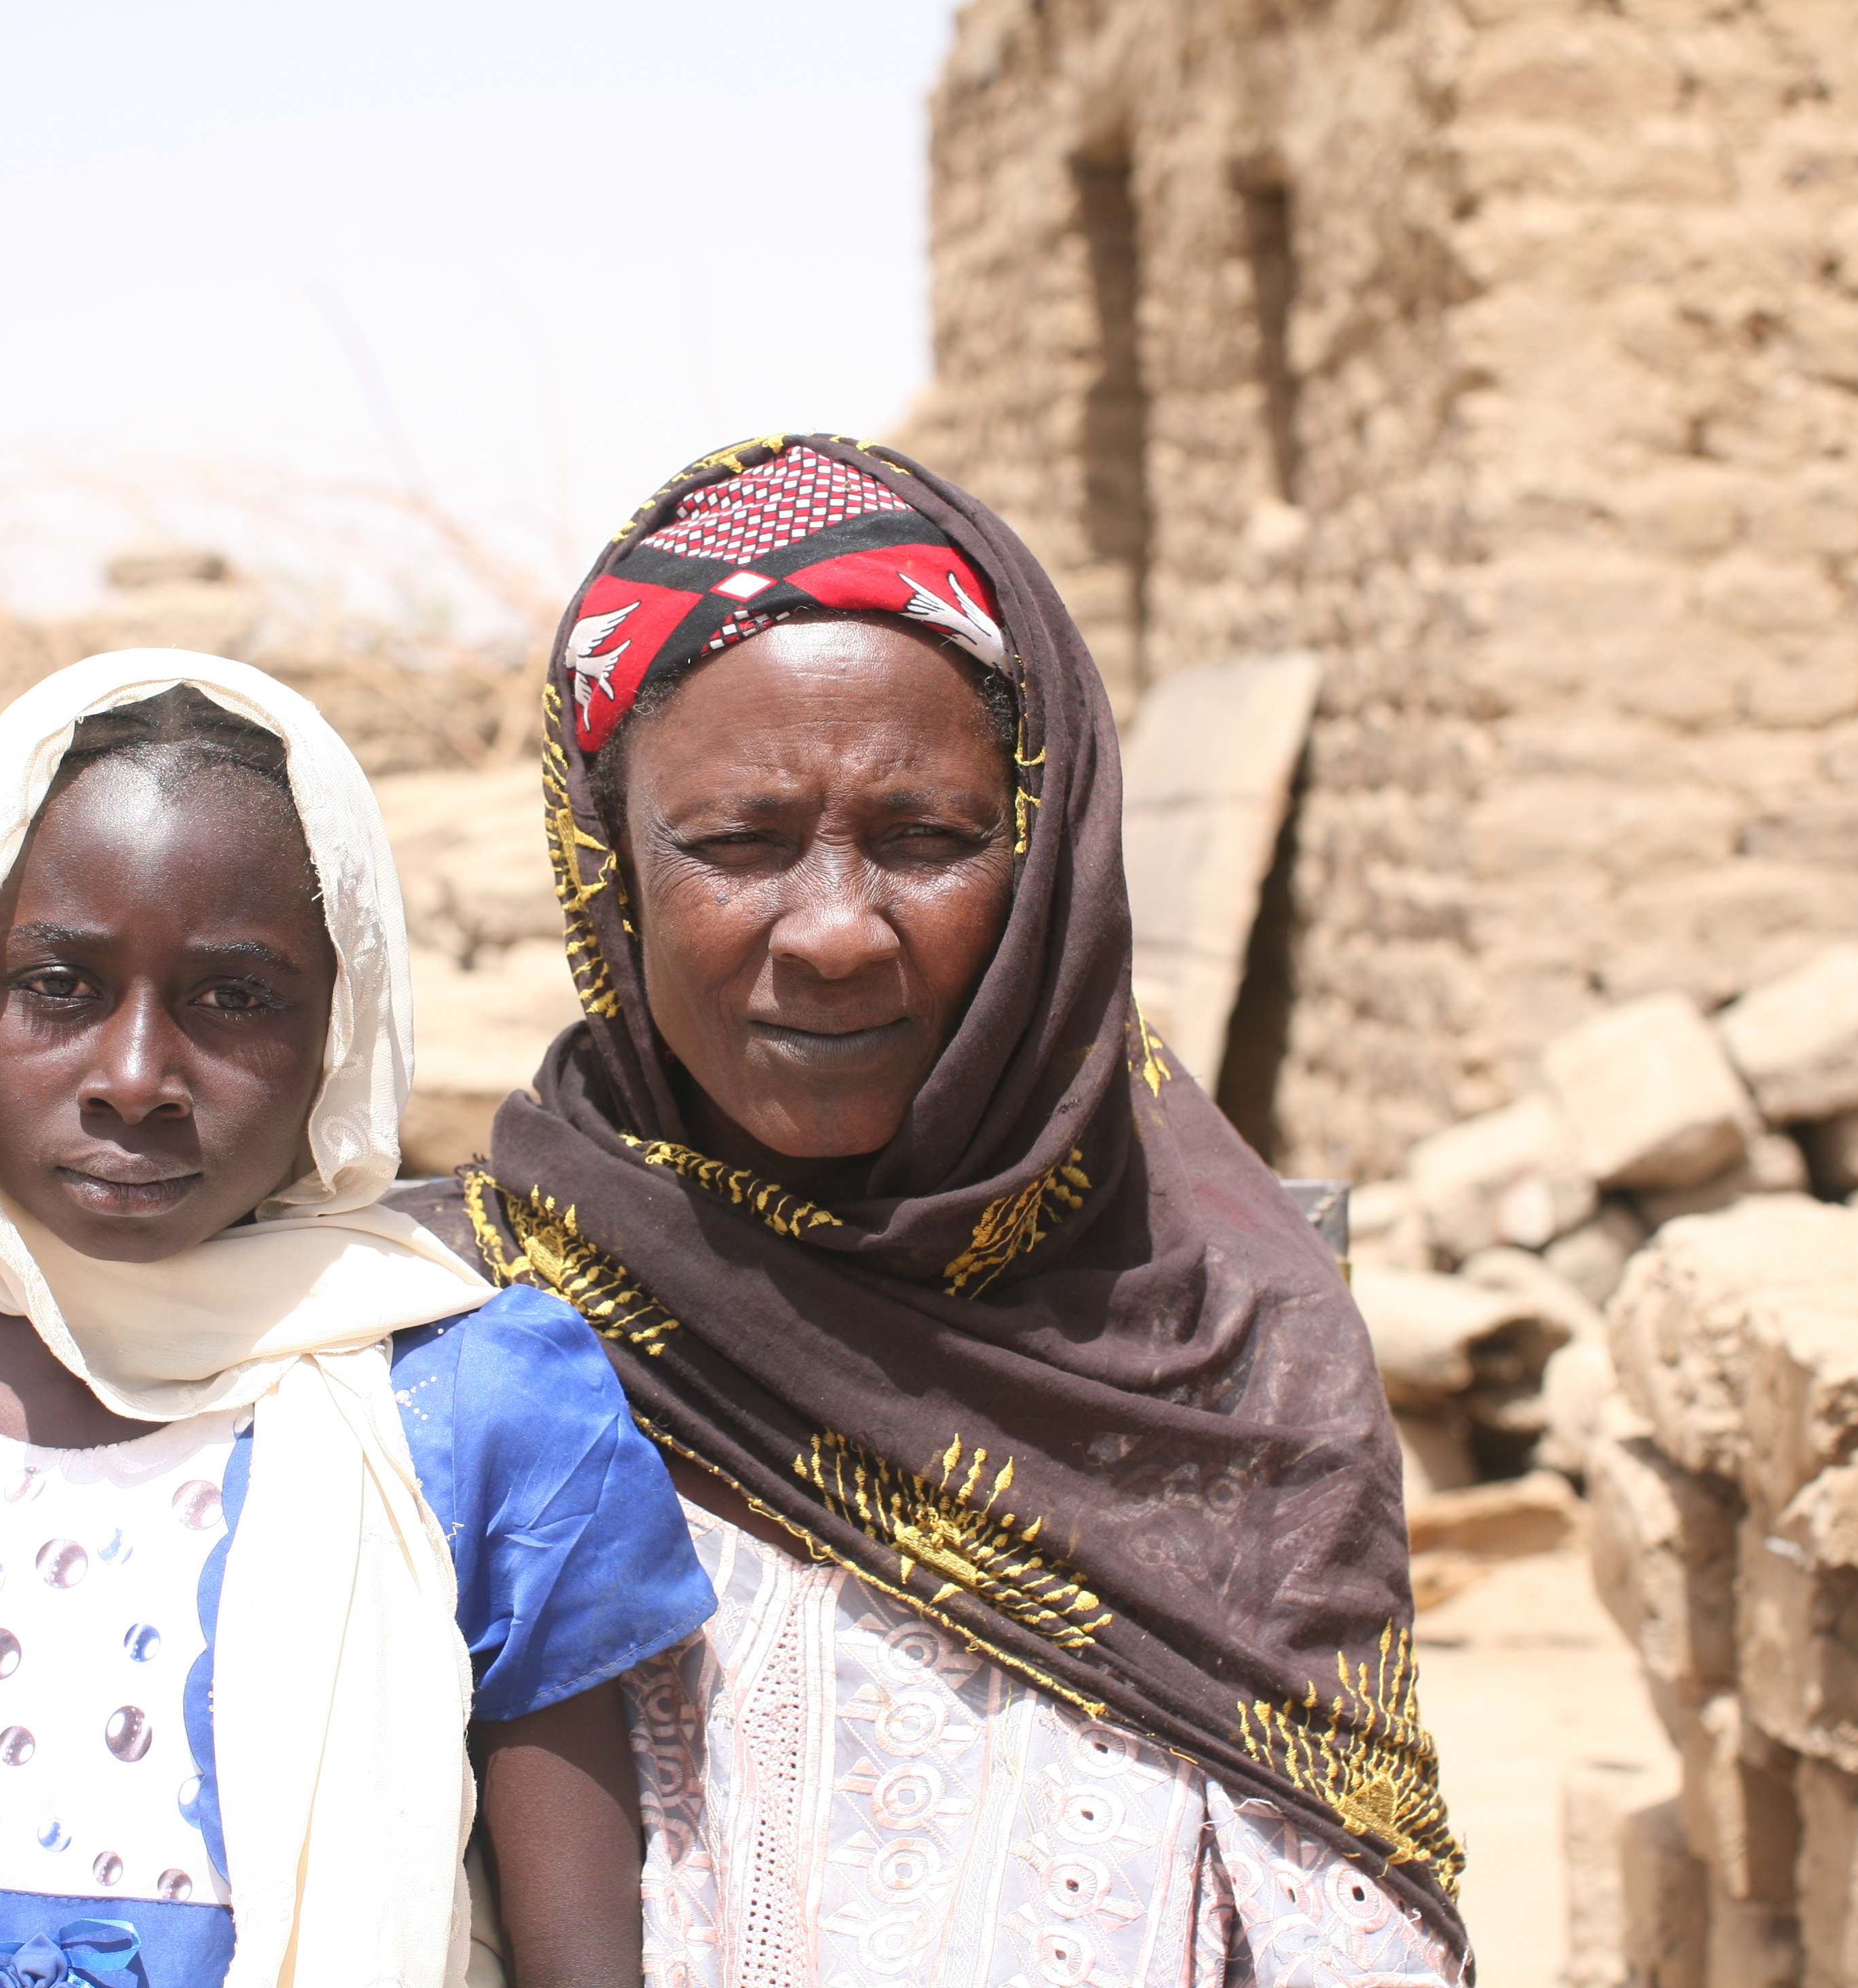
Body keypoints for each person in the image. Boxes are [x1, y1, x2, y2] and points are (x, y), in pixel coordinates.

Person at [393, 438, 1470, 1984]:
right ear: (609, 872)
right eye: (738, 843)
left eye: (926, 838)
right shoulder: (455, 1335)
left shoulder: (1236, 1345)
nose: (835, 933)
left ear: (1044, 864)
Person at [0, 654, 714, 1988]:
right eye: (58, 983)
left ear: (342, 1026)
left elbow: (580, 1960)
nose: (139, 1076)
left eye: (236, 997)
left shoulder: (478, 1410)